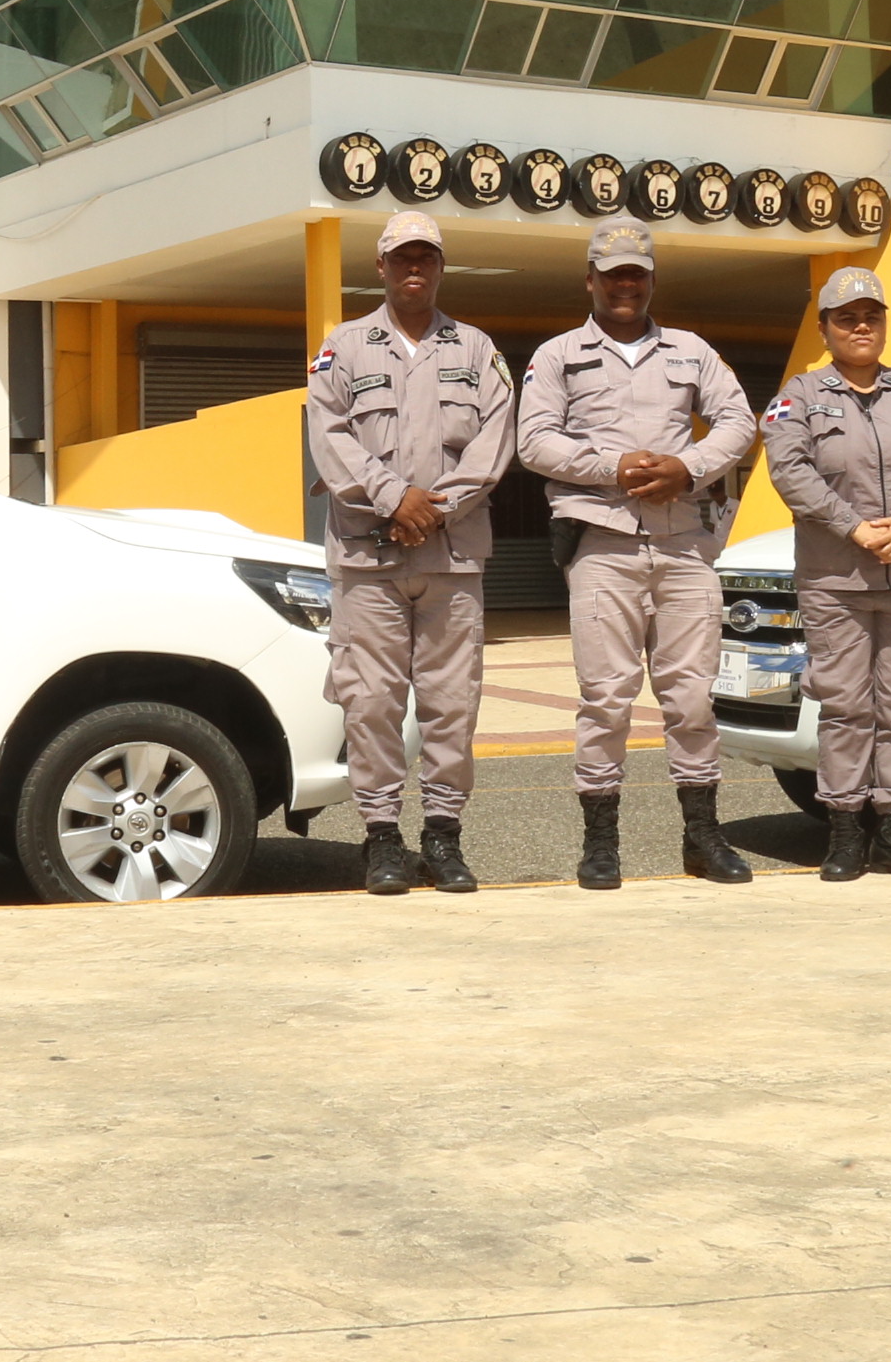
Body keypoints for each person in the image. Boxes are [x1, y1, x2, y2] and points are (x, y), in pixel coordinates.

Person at [516, 220, 761, 889]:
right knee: (606, 698)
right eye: (613, 274)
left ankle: (702, 838)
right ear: (590, 281)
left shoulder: (691, 350)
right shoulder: (558, 355)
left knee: (692, 698)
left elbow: (739, 421)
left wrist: (688, 467)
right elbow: (533, 441)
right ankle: (601, 844)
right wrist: (612, 466)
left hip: (684, 545)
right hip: (602, 544)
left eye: (637, 274)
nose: (625, 285)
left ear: (651, 280)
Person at [303, 210, 517, 894]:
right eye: (402, 258)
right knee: (370, 704)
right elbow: (329, 437)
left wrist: (433, 511)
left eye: (426, 257)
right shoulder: (344, 347)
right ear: (382, 267)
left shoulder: (476, 349)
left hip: (451, 559)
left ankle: (444, 836)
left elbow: (494, 445)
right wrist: (395, 499)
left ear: (441, 267)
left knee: (452, 704)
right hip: (367, 559)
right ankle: (382, 839)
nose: (414, 268)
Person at [758, 265, 891, 881]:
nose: (861, 327)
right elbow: (789, 470)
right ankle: (846, 830)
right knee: (845, 705)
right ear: (825, 329)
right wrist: (853, 527)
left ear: (884, 324)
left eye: (871, 316)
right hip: (836, 580)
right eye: (846, 319)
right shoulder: (799, 396)